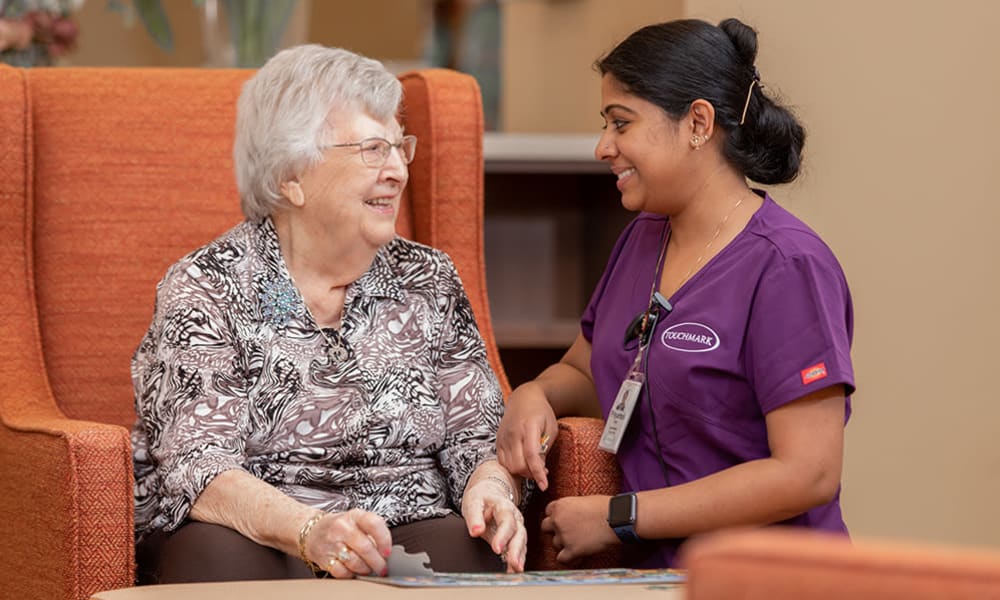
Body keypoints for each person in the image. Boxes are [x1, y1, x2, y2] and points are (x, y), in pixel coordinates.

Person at [131, 44, 526, 584]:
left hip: (406, 520)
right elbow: (199, 468)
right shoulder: (207, 285)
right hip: (259, 530)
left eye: (398, 147)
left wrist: (491, 488)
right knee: (221, 567)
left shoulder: (427, 278)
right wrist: (310, 530)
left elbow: (476, 438)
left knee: (480, 554)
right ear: (291, 175)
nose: (396, 171)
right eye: (371, 149)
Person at [496, 18, 854, 568]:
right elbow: (589, 371)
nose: (602, 147)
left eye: (622, 124)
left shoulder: (787, 266)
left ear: (697, 123)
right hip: (656, 577)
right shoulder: (643, 239)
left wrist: (622, 516)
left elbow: (808, 473)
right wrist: (534, 395)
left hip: (770, 576)